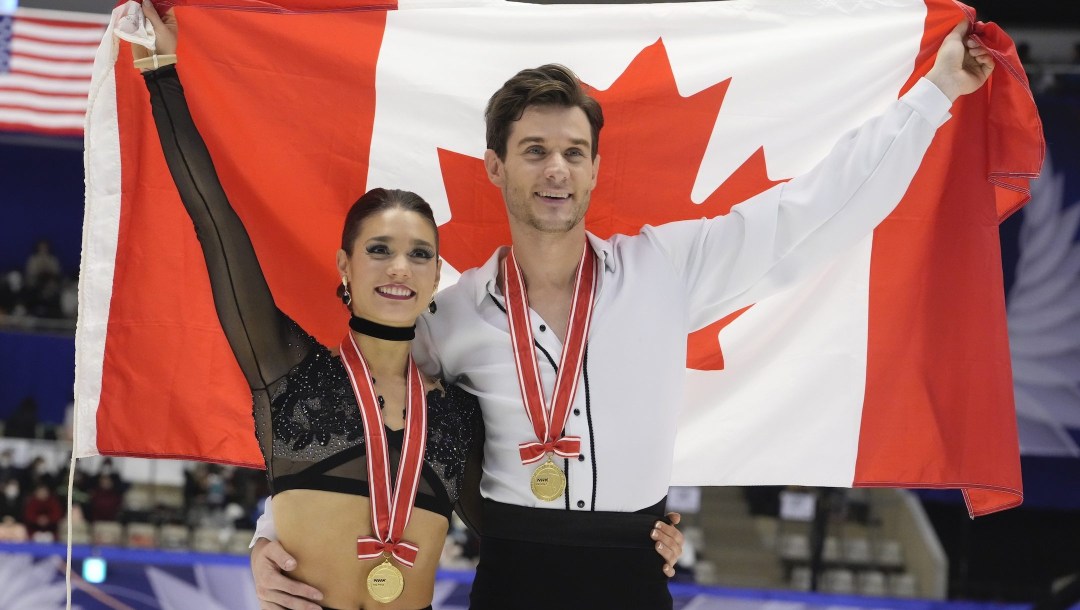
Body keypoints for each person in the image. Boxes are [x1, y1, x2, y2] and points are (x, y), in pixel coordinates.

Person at [249, 13, 996, 610]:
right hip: (513, 577)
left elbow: (814, 208)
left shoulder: (664, 269)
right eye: (534, 150)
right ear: (496, 167)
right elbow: (358, 420)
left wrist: (933, 94)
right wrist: (268, 537)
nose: (555, 170)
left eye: (574, 152)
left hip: (633, 574)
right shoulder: (452, 317)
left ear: (596, 168)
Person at [129, 5, 682, 610]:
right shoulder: (288, 371)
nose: (400, 267)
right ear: (345, 266)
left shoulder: (453, 414)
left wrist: (641, 535)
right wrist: (161, 71)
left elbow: (529, 526)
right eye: (379, 250)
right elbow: (215, 223)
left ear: (436, 276)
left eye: (420, 254)